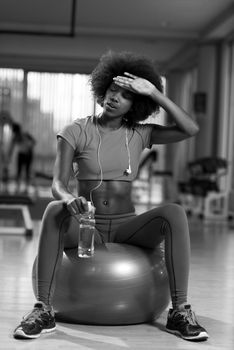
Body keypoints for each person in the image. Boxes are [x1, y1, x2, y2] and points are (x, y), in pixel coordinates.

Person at [13, 51, 209, 341]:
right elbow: (58, 183)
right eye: (111, 90)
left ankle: (179, 311)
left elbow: (190, 128)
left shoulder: (141, 133)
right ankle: (43, 310)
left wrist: (154, 92)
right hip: (86, 226)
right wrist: (69, 200)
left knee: (174, 212)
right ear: (101, 91)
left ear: (136, 104)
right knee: (55, 208)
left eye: (125, 95)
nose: (115, 97)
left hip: (126, 227)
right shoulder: (75, 130)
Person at [8, 123, 36, 193]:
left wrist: (29, 147)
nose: (17, 134)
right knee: (19, 171)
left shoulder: (25, 134)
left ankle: (26, 187)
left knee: (27, 171)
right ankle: (18, 186)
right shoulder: (15, 137)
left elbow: (34, 141)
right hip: (21, 154)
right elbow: (11, 147)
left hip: (28, 154)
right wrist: (9, 156)